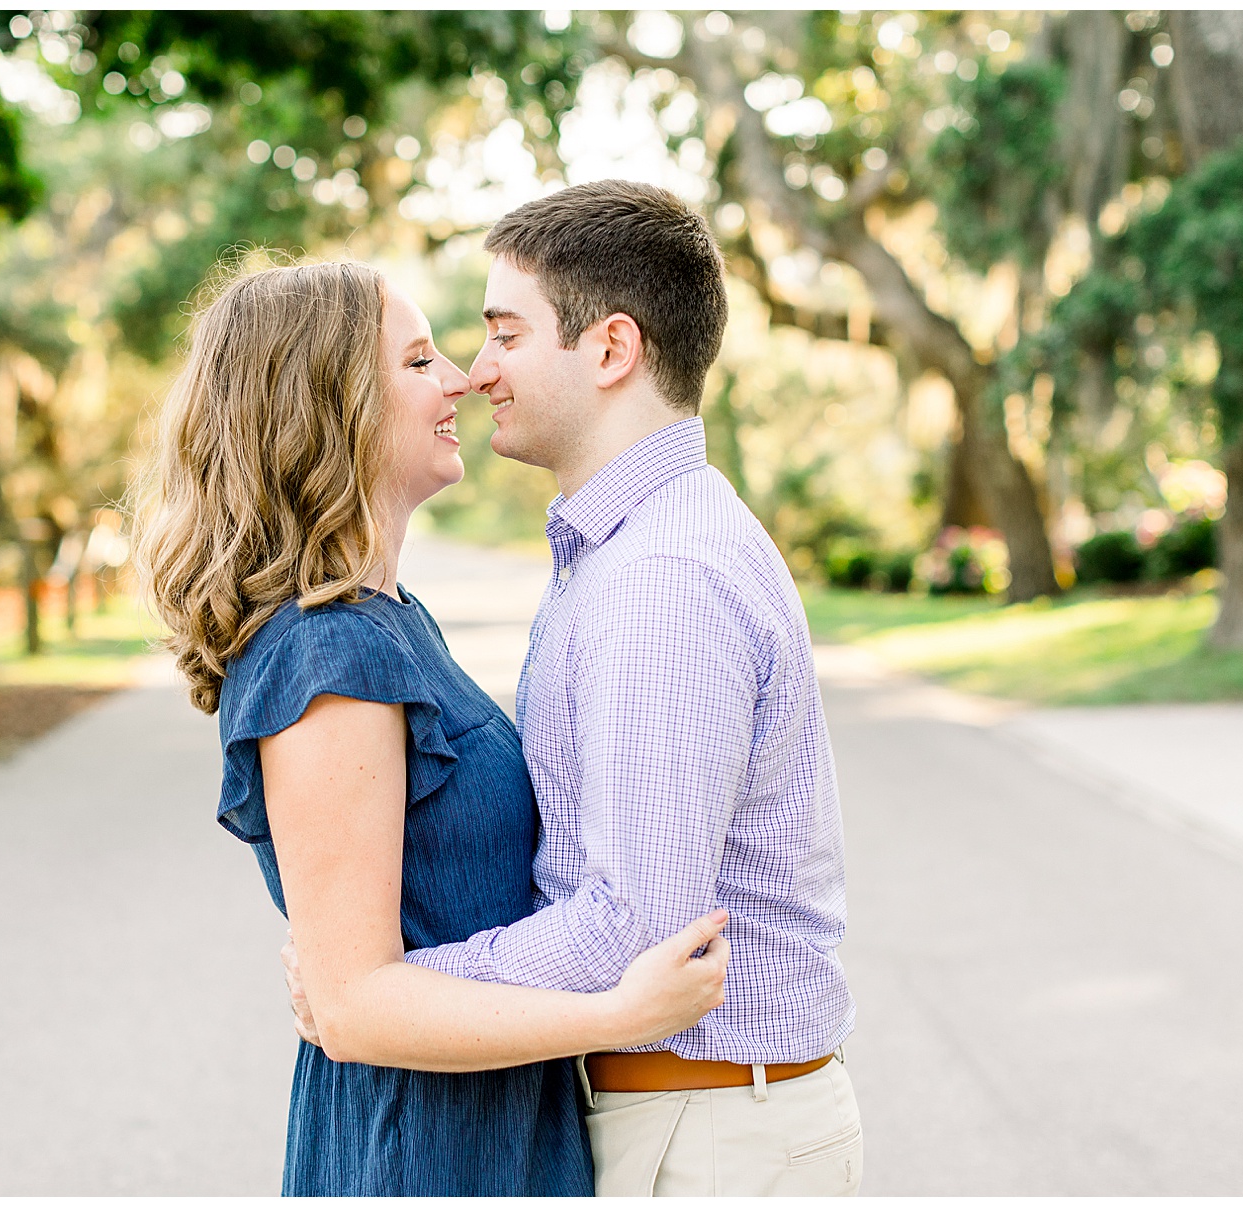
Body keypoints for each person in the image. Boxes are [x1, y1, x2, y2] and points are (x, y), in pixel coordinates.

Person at [290, 181, 863, 1195]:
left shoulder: (662, 581)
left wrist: (389, 991)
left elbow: (634, 928)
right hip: (685, 1119)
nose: (477, 372)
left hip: (706, 1132)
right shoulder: (626, 553)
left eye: (505, 334)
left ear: (610, 349)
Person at [133, 259, 732, 1197]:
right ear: (329, 408)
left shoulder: (388, 619)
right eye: (418, 361)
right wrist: (615, 1013)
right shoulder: (328, 656)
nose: (459, 378)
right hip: (424, 1148)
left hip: (498, 1127)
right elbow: (358, 1006)